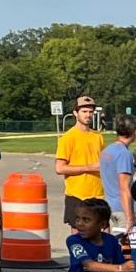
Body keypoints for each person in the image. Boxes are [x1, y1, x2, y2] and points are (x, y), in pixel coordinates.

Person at [56, 95, 105, 229]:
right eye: (84, 111)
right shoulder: (68, 138)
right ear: (75, 113)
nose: (88, 115)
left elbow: (104, 164)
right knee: (79, 239)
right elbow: (60, 168)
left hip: (98, 195)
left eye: (90, 112)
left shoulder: (98, 136)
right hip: (77, 195)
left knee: (103, 237)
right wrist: (89, 167)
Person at [99, 114, 136, 234]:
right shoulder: (124, 154)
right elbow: (124, 188)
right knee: (126, 248)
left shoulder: (108, 150)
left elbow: (116, 175)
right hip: (123, 209)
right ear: (135, 131)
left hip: (110, 206)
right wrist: (129, 218)